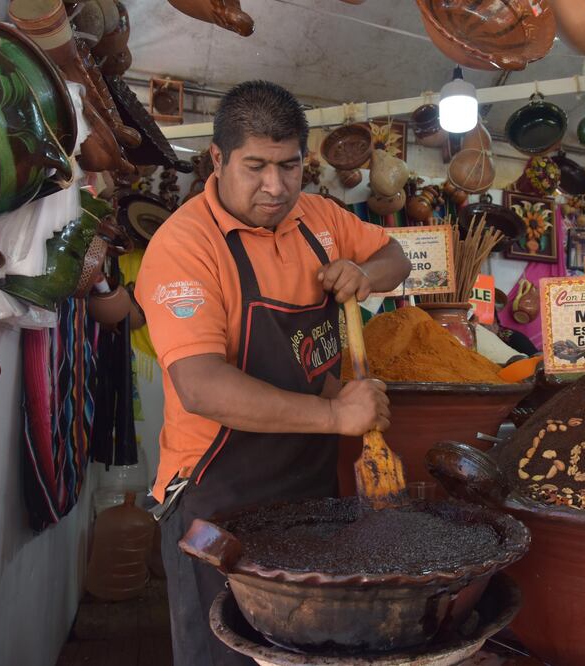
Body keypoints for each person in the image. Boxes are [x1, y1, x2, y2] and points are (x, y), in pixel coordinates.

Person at [136, 80, 411, 665]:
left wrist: (365, 275)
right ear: (219, 158)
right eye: (255, 166)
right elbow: (201, 385)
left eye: (289, 167)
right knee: (224, 653)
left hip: (307, 493)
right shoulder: (184, 246)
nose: (275, 187)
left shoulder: (320, 218)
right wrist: (337, 413)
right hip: (216, 502)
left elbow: (395, 255)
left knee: (302, 650)